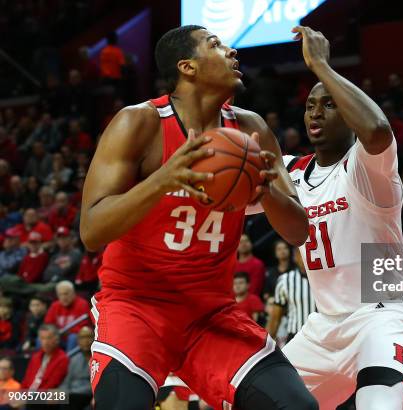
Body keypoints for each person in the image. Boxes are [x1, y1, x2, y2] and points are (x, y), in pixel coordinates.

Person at [80, 25, 313, 410]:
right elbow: (91, 231)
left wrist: (267, 193)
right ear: (187, 67)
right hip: (136, 306)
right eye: (216, 45)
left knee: (296, 406)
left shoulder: (250, 128)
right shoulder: (139, 123)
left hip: (210, 312)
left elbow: (299, 230)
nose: (232, 52)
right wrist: (162, 180)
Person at [255, 25, 403, 410]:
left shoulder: (367, 169)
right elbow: (227, 191)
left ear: (349, 114)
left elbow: (378, 130)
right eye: (310, 105)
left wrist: (322, 67)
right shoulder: (290, 173)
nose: (316, 111)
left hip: (384, 314)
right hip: (324, 326)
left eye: (329, 103)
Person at [267, 248, 316, 343]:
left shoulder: (329, 278)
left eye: (311, 253)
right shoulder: (285, 280)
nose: (307, 257)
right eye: (303, 253)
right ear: (295, 257)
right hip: (296, 336)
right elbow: (275, 318)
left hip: (324, 337)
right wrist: (267, 347)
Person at [44, 281, 91, 352]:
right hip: (59, 338)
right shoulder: (55, 306)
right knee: (43, 339)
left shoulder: (82, 304)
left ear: (73, 293)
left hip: (75, 338)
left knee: (73, 337)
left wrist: (66, 332)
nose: (63, 297)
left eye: (66, 294)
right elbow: (48, 324)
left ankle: (69, 362)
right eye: (60, 295)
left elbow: (83, 327)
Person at [21, 324, 69, 391]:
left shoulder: (62, 359)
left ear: (57, 340)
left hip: (43, 397)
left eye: (49, 338)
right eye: (42, 338)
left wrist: (29, 399)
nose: (45, 342)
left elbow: (52, 384)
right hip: (27, 395)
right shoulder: (35, 357)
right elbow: (26, 381)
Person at [60, 326, 95, 409]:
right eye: (82, 338)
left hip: (88, 395)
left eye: (89, 337)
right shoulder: (73, 359)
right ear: (78, 341)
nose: (86, 341)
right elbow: (67, 382)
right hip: (72, 394)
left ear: (94, 339)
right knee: (38, 400)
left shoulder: (99, 359)